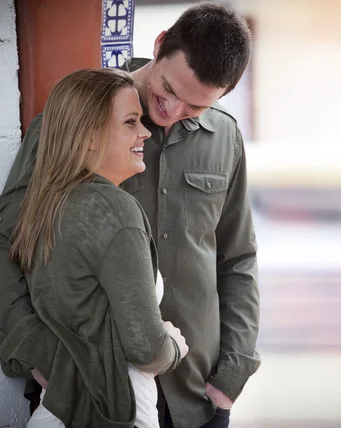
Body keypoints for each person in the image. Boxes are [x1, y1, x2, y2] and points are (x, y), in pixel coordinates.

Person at [0, 2, 260, 428]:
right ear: (159, 46)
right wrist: (36, 353)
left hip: (197, 394)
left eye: (195, 107)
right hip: (87, 391)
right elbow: (9, 238)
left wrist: (231, 375)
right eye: (169, 91)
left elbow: (237, 259)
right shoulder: (73, 125)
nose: (172, 112)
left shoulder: (226, 136)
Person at [0, 68, 189, 427]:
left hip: (56, 409)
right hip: (111, 411)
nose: (145, 131)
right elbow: (146, 349)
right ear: (89, 135)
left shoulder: (47, 203)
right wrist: (176, 345)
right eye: (130, 122)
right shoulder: (115, 211)